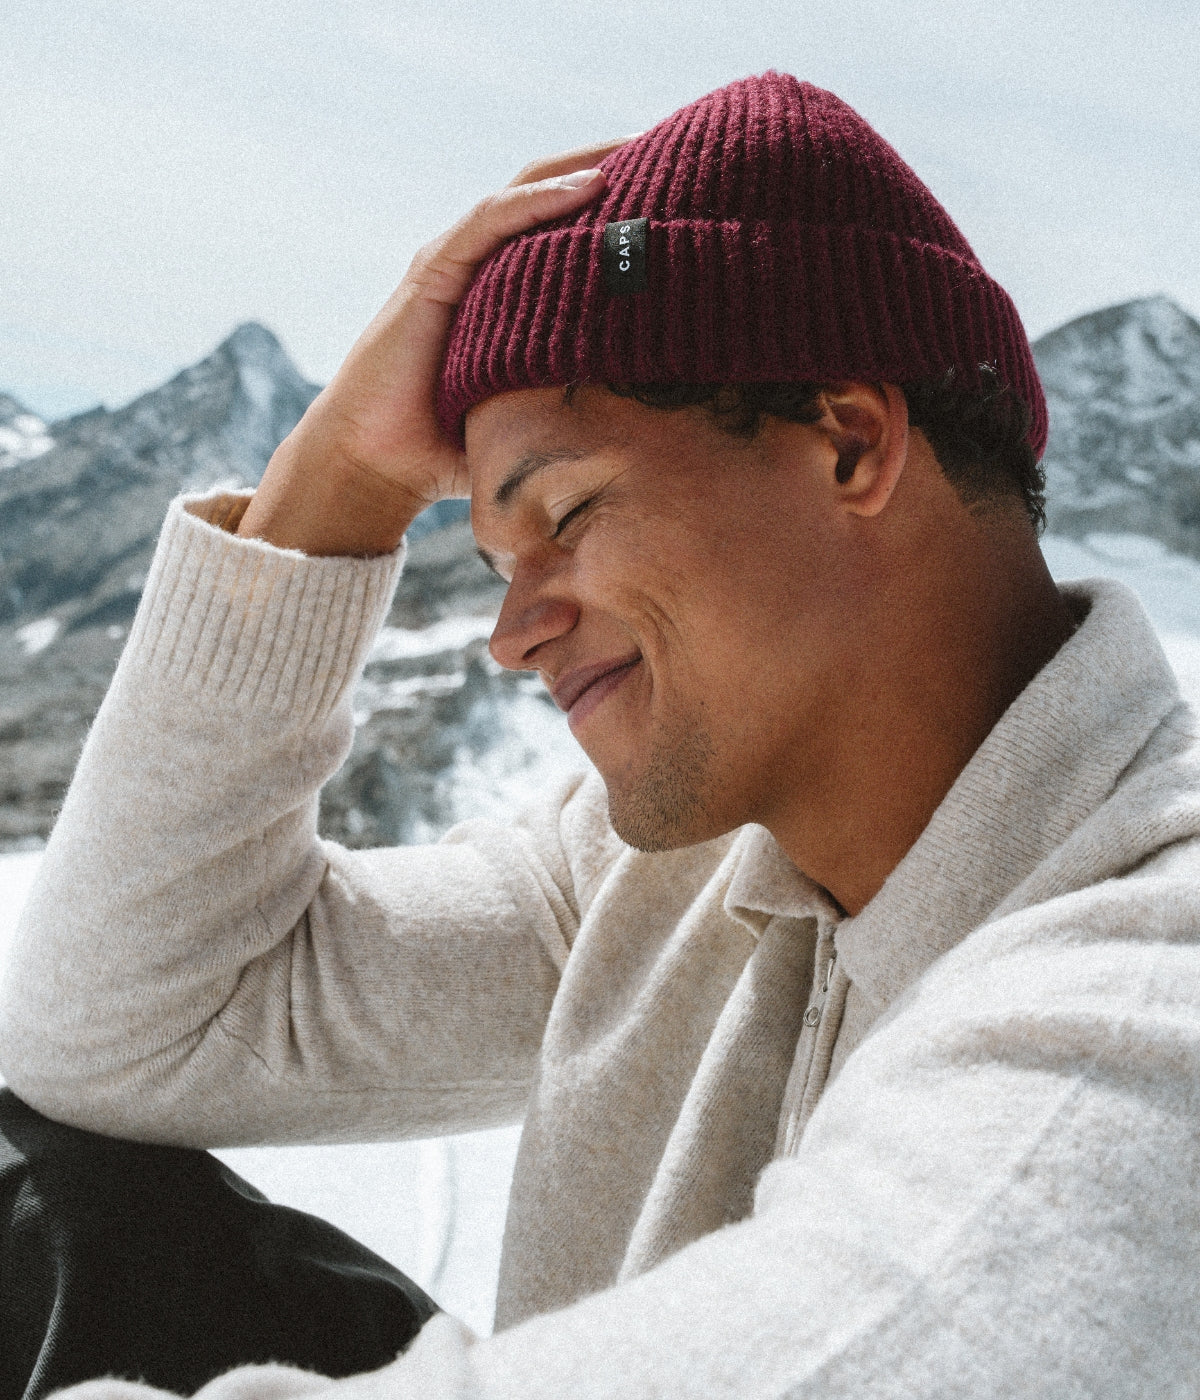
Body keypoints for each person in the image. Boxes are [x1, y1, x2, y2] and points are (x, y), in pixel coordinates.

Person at [3, 69, 1200, 1400]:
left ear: (849, 444)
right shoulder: (667, 873)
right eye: (495, 558)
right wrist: (339, 477)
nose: (511, 636)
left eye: (564, 517)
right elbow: (121, 1029)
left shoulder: (1146, 1000)